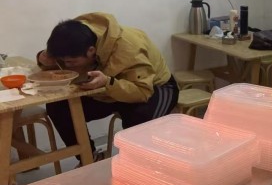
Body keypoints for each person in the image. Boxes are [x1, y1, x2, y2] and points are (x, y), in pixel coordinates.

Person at [38, 12, 179, 161]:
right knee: (58, 106)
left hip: (155, 87)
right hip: (109, 89)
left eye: (71, 62)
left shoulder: (128, 48)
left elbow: (143, 92)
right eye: (63, 61)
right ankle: (89, 158)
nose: (67, 65)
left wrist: (107, 82)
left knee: (138, 120)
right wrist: (43, 59)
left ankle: (137, 165)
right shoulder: (72, 38)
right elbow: (62, 64)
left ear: (91, 51)